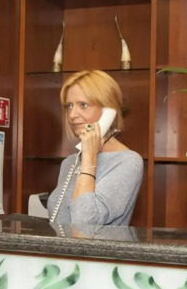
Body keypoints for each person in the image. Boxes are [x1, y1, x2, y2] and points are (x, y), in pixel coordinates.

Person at [47, 70, 143, 227]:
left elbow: (84, 223)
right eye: (69, 106)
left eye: (83, 105)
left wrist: (89, 158)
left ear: (109, 111)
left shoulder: (128, 162)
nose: (72, 115)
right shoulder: (69, 163)